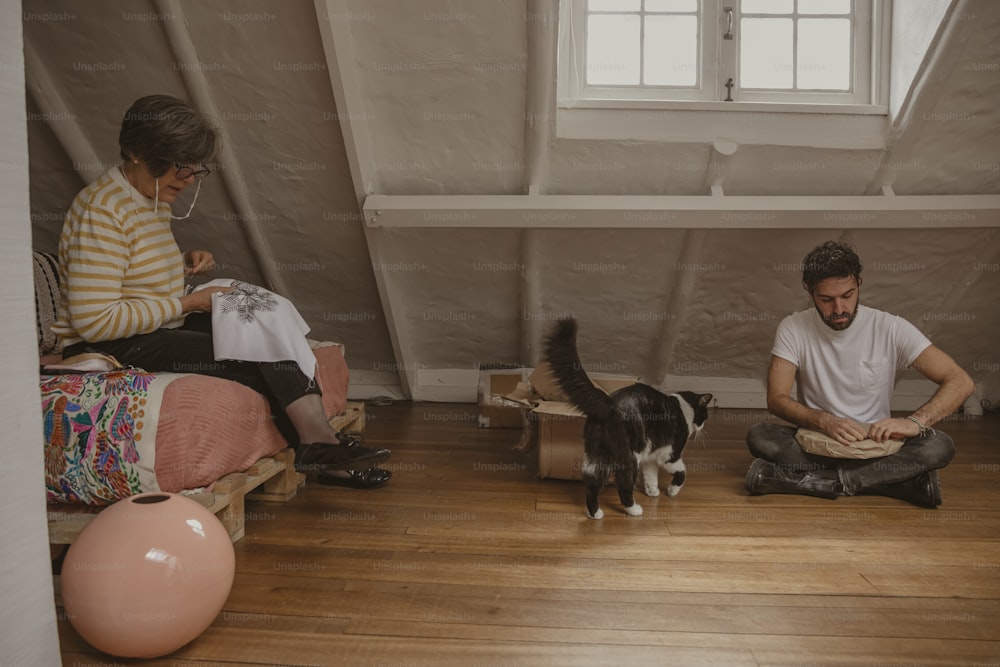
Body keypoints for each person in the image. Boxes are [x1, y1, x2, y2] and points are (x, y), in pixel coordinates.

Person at [52, 94, 391, 488]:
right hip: (112, 344)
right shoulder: (103, 209)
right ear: (136, 152)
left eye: (196, 168)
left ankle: (320, 444)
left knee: (258, 323)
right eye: (180, 166)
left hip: (152, 328)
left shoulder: (150, 196)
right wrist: (191, 301)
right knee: (252, 352)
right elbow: (96, 322)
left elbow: (125, 272)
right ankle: (321, 448)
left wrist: (181, 261)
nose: (190, 178)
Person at [744, 241, 974, 507]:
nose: (839, 308)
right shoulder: (793, 328)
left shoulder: (891, 327)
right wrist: (825, 421)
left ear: (859, 283)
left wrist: (914, 422)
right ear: (810, 291)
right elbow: (777, 399)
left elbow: (961, 381)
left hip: (878, 447)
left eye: (847, 295)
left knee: (939, 446)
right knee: (761, 435)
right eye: (826, 299)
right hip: (820, 442)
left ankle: (820, 482)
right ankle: (894, 484)